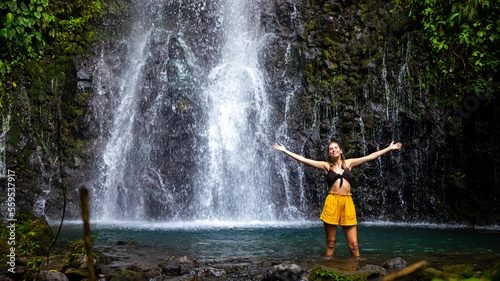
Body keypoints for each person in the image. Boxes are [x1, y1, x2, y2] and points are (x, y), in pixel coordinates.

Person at [273, 141, 402, 257]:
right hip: (332, 202)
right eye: (331, 149)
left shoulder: (349, 163)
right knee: (331, 243)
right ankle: (328, 269)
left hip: (347, 202)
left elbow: (370, 157)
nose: (333, 150)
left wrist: (388, 148)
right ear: (329, 154)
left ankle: (357, 271)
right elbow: (304, 160)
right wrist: (285, 151)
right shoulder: (325, 166)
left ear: (341, 151)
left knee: (354, 245)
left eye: (336, 148)